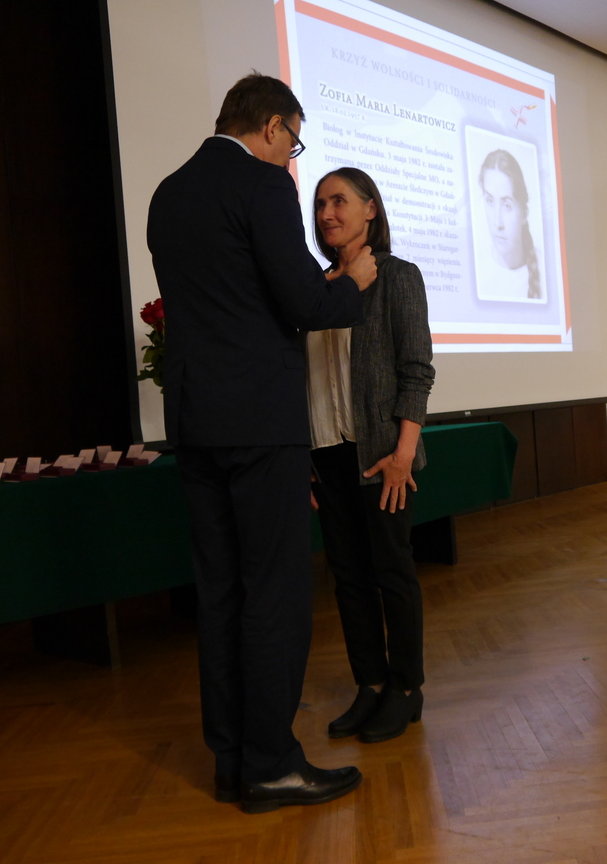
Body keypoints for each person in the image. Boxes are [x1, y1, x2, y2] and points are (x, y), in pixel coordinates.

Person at [147, 73, 378, 814]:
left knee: (219, 594)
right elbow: (305, 301)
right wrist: (354, 281)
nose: (292, 159)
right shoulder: (264, 184)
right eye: (294, 143)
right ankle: (273, 766)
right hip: (259, 425)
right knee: (273, 594)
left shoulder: (168, 192)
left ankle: (233, 762)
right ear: (273, 126)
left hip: (196, 423)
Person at [306, 167, 435, 744]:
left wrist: (404, 454)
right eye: (320, 204)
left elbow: (416, 371)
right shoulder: (317, 289)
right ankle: (370, 684)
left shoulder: (398, 277)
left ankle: (406, 689)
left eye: (339, 201)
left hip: (384, 456)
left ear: (370, 210)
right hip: (327, 452)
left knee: (392, 572)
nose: (327, 213)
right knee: (349, 579)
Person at [475, 149, 542, 302]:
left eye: (507, 205)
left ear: (524, 213)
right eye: (490, 201)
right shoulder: (478, 271)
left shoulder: (546, 269)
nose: (497, 223)